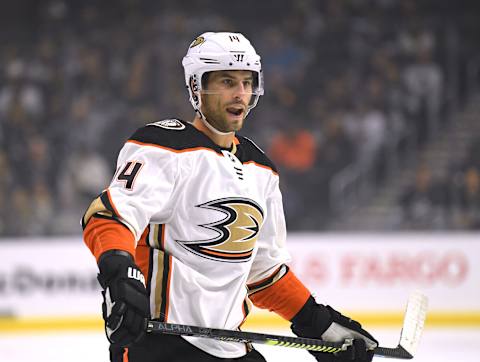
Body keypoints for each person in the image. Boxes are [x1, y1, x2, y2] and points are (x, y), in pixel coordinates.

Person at [82, 32, 377, 362]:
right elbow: (109, 216)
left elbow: (263, 273)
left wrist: (316, 322)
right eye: (227, 81)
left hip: (233, 348)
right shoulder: (164, 147)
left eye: (248, 82)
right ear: (196, 87)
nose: (241, 93)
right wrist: (119, 272)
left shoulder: (261, 169)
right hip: (159, 347)